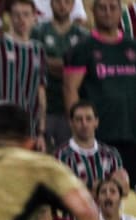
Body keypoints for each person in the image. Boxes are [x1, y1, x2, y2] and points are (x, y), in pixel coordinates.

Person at [64, 0, 136, 185]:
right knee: (101, 190)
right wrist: (79, 126)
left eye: (112, 8)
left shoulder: (132, 47)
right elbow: (70, 89)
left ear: (120, 12)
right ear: (93, 11)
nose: (107, 12)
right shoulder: (83, 48)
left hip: (131, 132)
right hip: (99, 135)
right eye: (102, 8)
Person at [0, 0, 47, 150]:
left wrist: (41, 131)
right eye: (17, 15)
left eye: (26, 15)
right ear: (9, 18)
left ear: (34, 17)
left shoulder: (38, 50)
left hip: (29, 128)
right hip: (0, 127)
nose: (22, 19)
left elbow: (41, 93)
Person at [31, 0, 89, 149]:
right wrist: (70, 67)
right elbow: (33, 63)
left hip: (71, 110)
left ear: (73, 5)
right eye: (58, 2)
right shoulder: (37, 31)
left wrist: (49, 63)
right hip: (43, 110)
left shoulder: (83, 36)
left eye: (67, 2)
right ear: (51, 4)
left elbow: (87, 69)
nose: (62, 6)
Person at [55, 100, 125, 191]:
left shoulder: (111, 154)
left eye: (88, 119)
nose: (84, 124)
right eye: (79, 119)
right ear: (71, 123)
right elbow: (59, 190)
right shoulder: (60, 156)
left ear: (96, 122)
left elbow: (123, 188)